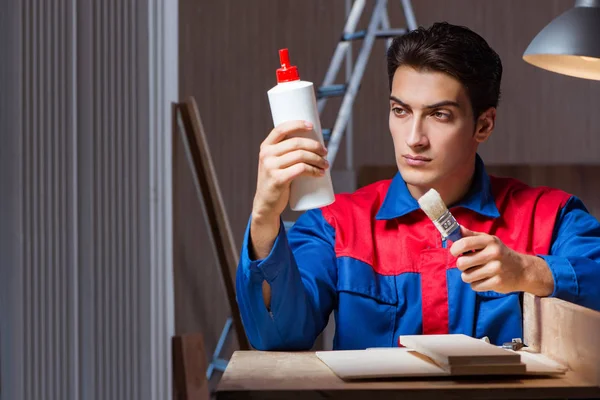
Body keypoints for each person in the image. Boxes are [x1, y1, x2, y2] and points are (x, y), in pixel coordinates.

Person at [235, 22, 600, 351]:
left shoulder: (551, 216)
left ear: (484, 125)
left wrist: (528, 272)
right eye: (401, 111)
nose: (413, 139)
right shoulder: (336, 224)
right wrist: (265, 214)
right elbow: (277, 336)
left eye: (439, 115)